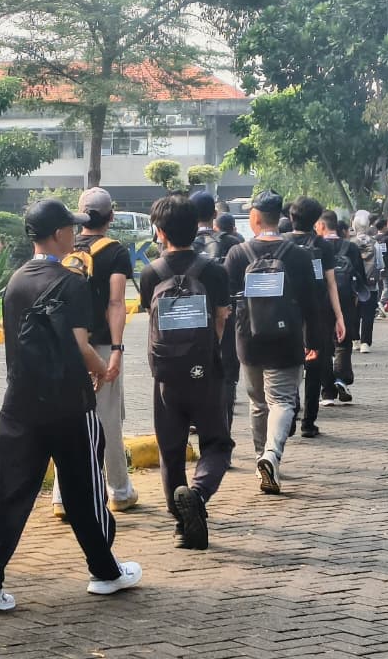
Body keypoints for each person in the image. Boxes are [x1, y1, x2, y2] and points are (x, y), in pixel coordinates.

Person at [0, 199, 140, 612]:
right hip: (68, 405)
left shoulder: (15, 281)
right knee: (85, 490)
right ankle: (106, 572)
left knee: (9, 491)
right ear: (59, 234)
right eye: (70, 229)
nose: (74, 235)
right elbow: (80, 346)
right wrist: (103, 369)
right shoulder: (71, 281)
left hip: (20, 402)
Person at [138, 194, 233, 550]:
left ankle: (182, 524)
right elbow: (222, 316)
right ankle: (198, 493)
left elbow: (152, 314)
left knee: (171, 448)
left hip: (165, 372)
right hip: (205, 370)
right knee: (217, 442)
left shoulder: (151, 273)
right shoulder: (214, 271)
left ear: (159, 231)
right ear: (197, 228)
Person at [225, 191, 324, 495]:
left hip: (249, 339)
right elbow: (311, 303)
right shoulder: (298, 255)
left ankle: (260, 458)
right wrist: (313, 340)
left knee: (258, 403)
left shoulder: (238, 254)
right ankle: (271, 455)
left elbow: (226, 302)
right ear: (279, 219)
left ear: (254, 218)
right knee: (282, 400)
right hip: (287, 337)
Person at [52, 187, 138, 518]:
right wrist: (116, 349)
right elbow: (116, 302)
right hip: (100, 345)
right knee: (107, 419)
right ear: (111, 216)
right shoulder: (114, 251)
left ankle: (62, 497)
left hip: (68, 345)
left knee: (67, 417)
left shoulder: (65, 247)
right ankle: (119, 490)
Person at [285, 197, 346, 437]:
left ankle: (288, 417)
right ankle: (308, 423)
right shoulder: (323, 246)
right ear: (316, 220)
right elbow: (331, 284)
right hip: (318, 315)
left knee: (289, 367)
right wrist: (339, 317)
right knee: (314, 367)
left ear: (291, 217)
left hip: (287, 314)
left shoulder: (283, 244)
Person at [321, 212, 363, 405]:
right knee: (343, 343)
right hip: (346, 300)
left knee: (323, 346)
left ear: (321, 225)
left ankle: (327, 392)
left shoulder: (316, 246)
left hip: (321, 300)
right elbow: (360, 275)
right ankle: (340, 378)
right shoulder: (351, 247)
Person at [213, 212, 244, 431]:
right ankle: (224, 428)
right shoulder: (237, 245)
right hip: (230, 313)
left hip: (195, 320)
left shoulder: (192, 243)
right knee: (227, 374)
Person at [350, 211, 380, 354]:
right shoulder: (375, 243)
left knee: (354, 313)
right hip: (371, 285)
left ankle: (355, 340)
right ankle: (365, 343)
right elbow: (380, 265)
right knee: (368, 314)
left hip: (354, 286)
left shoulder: (349, 244)